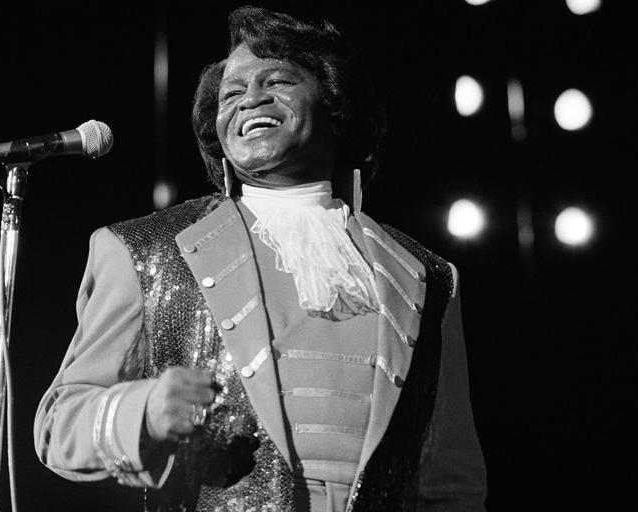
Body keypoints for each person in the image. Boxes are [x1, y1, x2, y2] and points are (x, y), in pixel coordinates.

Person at [34, 6, 487, 511]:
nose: (251, 99)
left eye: (277, 81)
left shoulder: (428, 275)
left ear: (335, 104)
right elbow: (60, 424)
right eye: (232, 93)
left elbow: (451, 483)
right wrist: (144, 410)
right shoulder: (146, 251)